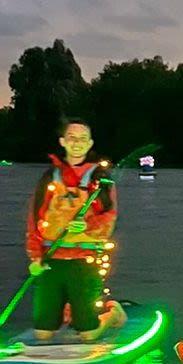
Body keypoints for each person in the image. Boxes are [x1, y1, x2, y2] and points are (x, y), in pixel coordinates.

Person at [27, 118, 120, 342]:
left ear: (89, 144)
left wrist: (87, 225)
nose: (76, 143)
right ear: (62, 142)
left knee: (87, 335)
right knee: (42, 334)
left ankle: (113, 312)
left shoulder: (101, 180)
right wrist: (35, 256)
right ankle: (66, 314)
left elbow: (109, 218)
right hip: (52, 257)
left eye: (82, 139)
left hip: (85, 258)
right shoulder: (49, 178)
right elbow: (34, 218)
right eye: (72, 138)